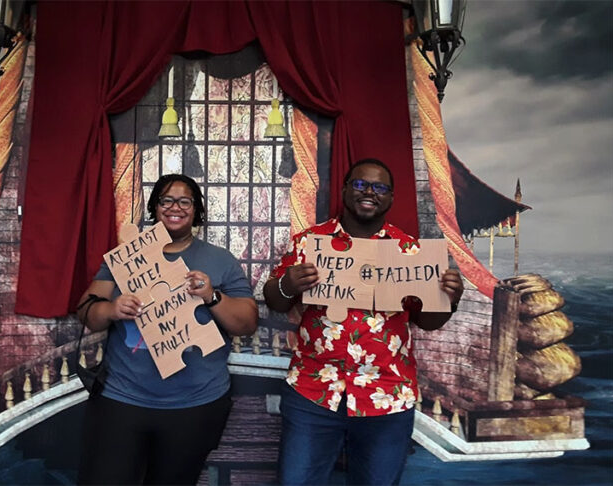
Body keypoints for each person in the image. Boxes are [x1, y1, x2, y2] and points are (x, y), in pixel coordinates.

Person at [264, 158, 464, 486]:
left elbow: (429, 321)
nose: (369, 191)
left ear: (391, 198)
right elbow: (275, 299)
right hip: (314, 391)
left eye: (379, 187)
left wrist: (448, 299)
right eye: (359, 184)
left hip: (386, 395)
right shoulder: (310, 243)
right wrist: (288, 283)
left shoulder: (409, 252)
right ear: (344, 191)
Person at [77, 174, 258, 485]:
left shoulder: (220, 260)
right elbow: (86, 312)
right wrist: (111, 309)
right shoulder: (127, 257)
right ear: (155, 207)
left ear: (197, 210)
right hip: (123, 400)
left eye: (185, 201)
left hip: (196, 404)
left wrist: (211, 296)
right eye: (166, 200)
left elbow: (247, 323)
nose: (175, 207)